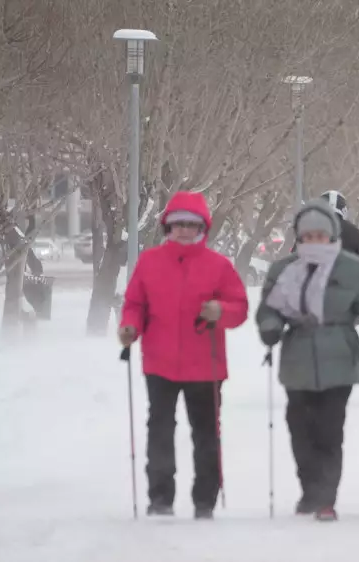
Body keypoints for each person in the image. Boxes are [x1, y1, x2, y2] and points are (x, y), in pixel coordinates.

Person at [118, 191, 249, 520]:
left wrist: (220, 310)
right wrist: (130, 327)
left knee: (206, 433)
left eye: (192, 225)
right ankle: (160, 497)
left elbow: (240, 308)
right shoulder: (149, 262)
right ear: (167, 227)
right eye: (178, 225)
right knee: (159, 429)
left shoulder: (219, 266)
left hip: (206, 365)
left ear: (203, 227)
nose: (185, 230)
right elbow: (135, 304)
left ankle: (205, 499)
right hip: (159, 362)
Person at [255, 199, 359, 522]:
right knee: (299, 427)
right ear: (299, 238)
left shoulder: (353, 270)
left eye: (321, 236)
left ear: (332, 236)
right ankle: (309, 489)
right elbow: (269, 309)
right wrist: (270, 328)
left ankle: (326, 497)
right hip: (297, 358)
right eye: (308, 236)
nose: (314, 242)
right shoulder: (284, 270)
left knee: (329, 429)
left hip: (339, 356)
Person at [286, 190, 359, 268]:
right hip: (346, 284)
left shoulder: (309, 229)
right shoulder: (353, 232)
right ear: (344, 210)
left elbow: (293, 259)